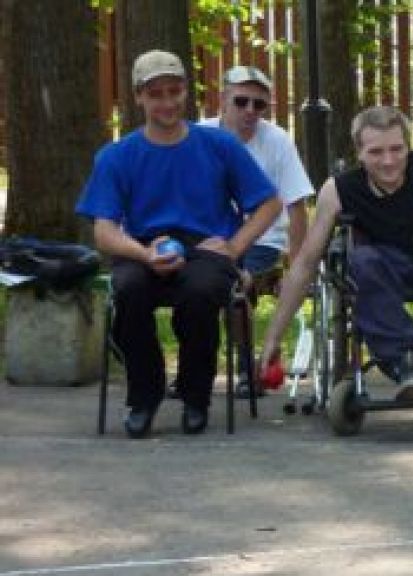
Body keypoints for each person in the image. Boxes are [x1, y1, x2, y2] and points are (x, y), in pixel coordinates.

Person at [76, 50, 281, 438]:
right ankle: (143, 396)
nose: (167, 102)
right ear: (139, 97)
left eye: (175, 91)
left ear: (186, 91)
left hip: (206, 246)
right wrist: (144, 254)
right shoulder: (117, 156)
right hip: (144, 246)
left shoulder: (219, 145)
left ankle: (195, 396)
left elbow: (269, 204)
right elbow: (103, 232)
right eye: (156, 94)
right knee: (129, 289)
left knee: (201, 292)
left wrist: (235, 247)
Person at [257, 105, 413, 405]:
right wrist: (274, 337)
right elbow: (307, 262)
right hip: (383, 266)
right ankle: (406, 362)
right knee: (360, 259)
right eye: (376, 152)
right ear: (359, 153)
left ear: (408, 146)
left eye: (397, 149)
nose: (389, 161)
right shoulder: (338, 190)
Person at [200, 65, 314, 397]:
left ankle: (248, 366)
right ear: (222, 100)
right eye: (242, 101)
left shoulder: (277, 141)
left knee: (236, 281)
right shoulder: (200, 135)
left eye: (259, 105)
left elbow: (296, 207)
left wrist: (297, 267)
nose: (250, 111)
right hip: (209, 239)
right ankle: (197, 370)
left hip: (264, 241)